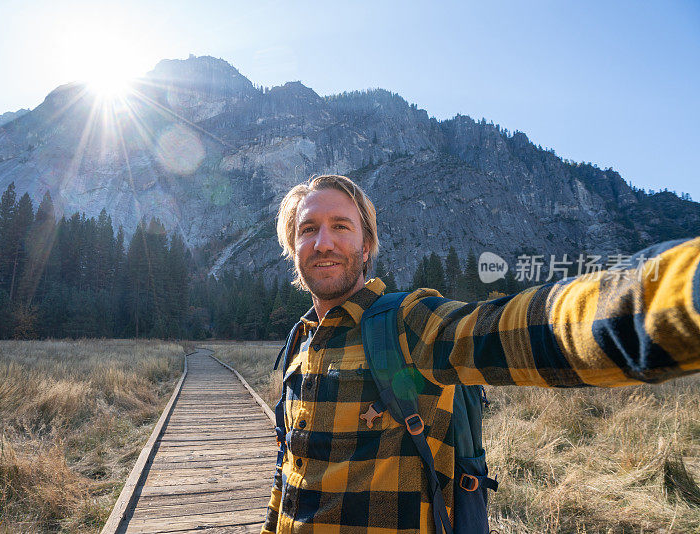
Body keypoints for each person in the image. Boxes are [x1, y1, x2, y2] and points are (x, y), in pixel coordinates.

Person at [260, 174, 700, 534]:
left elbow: (516, 329)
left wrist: (676, 299)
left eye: (341, 226)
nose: (322, 242)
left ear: (366, 246)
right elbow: (288, 470)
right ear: (293, 249)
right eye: (308, 229)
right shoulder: (300, 343)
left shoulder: (405, 323)